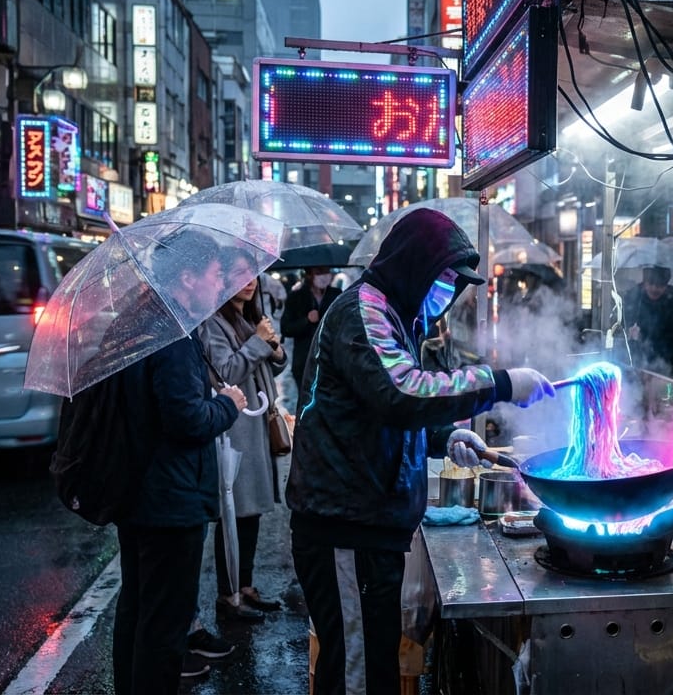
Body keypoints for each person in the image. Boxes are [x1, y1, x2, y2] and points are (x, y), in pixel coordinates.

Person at [287, 208, 555, 694]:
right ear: (414, 265)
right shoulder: (361, 312)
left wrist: (445, 436)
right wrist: (501, 384)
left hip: (371, 524)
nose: (446, 293)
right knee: (357, 675)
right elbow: (401, 393)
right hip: (344, 525)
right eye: (444, 279)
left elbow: (381, 413)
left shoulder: (396, 315)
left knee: (374, 666)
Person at [110, 230, 247, 695]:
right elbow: (186, 420)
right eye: (214, 274)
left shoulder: (139, 321)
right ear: (187, 277)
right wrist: (226, 404)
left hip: (138, 493)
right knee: (164, 625)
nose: (219, 284)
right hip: (170, 500)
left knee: (138, 607)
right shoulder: (170, 334)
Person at [198, 250, 289, 622]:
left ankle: (245, 586)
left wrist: (274, 346)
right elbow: (227, 370)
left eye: (253, 275)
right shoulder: (212, 322)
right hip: (235, 426)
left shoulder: (246, 316)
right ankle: (229, 594)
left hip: (256, 420)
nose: (249, 281)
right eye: (240, 275)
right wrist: (258, 343)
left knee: (250, 513)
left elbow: (274, 363)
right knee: (232, 512)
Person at [622, 265, 673, 380]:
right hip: (637, 369)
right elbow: (621, 335)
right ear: (644, 282)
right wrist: (630, 335)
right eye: (650, 283)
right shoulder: (633, 298)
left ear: (666, 283)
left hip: (669, 367)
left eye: (660, 285)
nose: (654, 289)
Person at [280, 265, 341, 395]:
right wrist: (306, 320)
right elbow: (286, 328)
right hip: (304, 362)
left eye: (326, 271)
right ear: (309, 274)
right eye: (319, 272)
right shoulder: (296, 297)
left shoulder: (336, 295)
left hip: (332, 361)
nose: (324, 276)